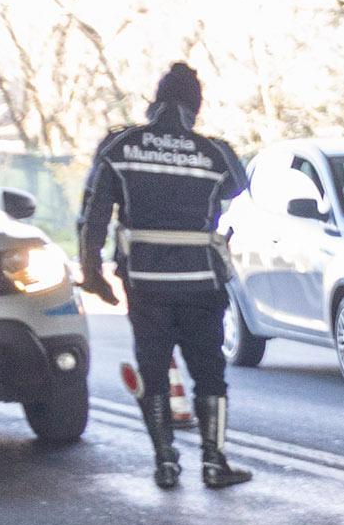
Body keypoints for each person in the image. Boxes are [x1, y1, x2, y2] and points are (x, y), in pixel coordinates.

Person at [75, 61, 252, 489]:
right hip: (201, 283)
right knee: (209, 372)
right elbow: (238, 185)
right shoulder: (216, 152)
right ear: (197, 105)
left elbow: (92, 216)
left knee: (153, 371)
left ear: (154, 101)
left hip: (146, 282)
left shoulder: (120, 147)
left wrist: (93, 273)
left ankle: (165, 463)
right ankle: (214, 462)